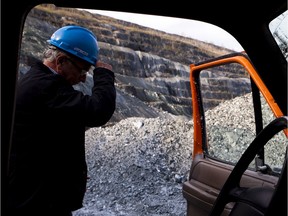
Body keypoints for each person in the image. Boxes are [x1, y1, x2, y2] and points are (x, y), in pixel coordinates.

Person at [7, 25, 116, 216]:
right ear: (61, 61)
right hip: (37, 204)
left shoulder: (40, 81)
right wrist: (104, 75)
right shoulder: (45, 88)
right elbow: (98, 111)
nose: (83, 79)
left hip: (38, 196)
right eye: (82, 70)